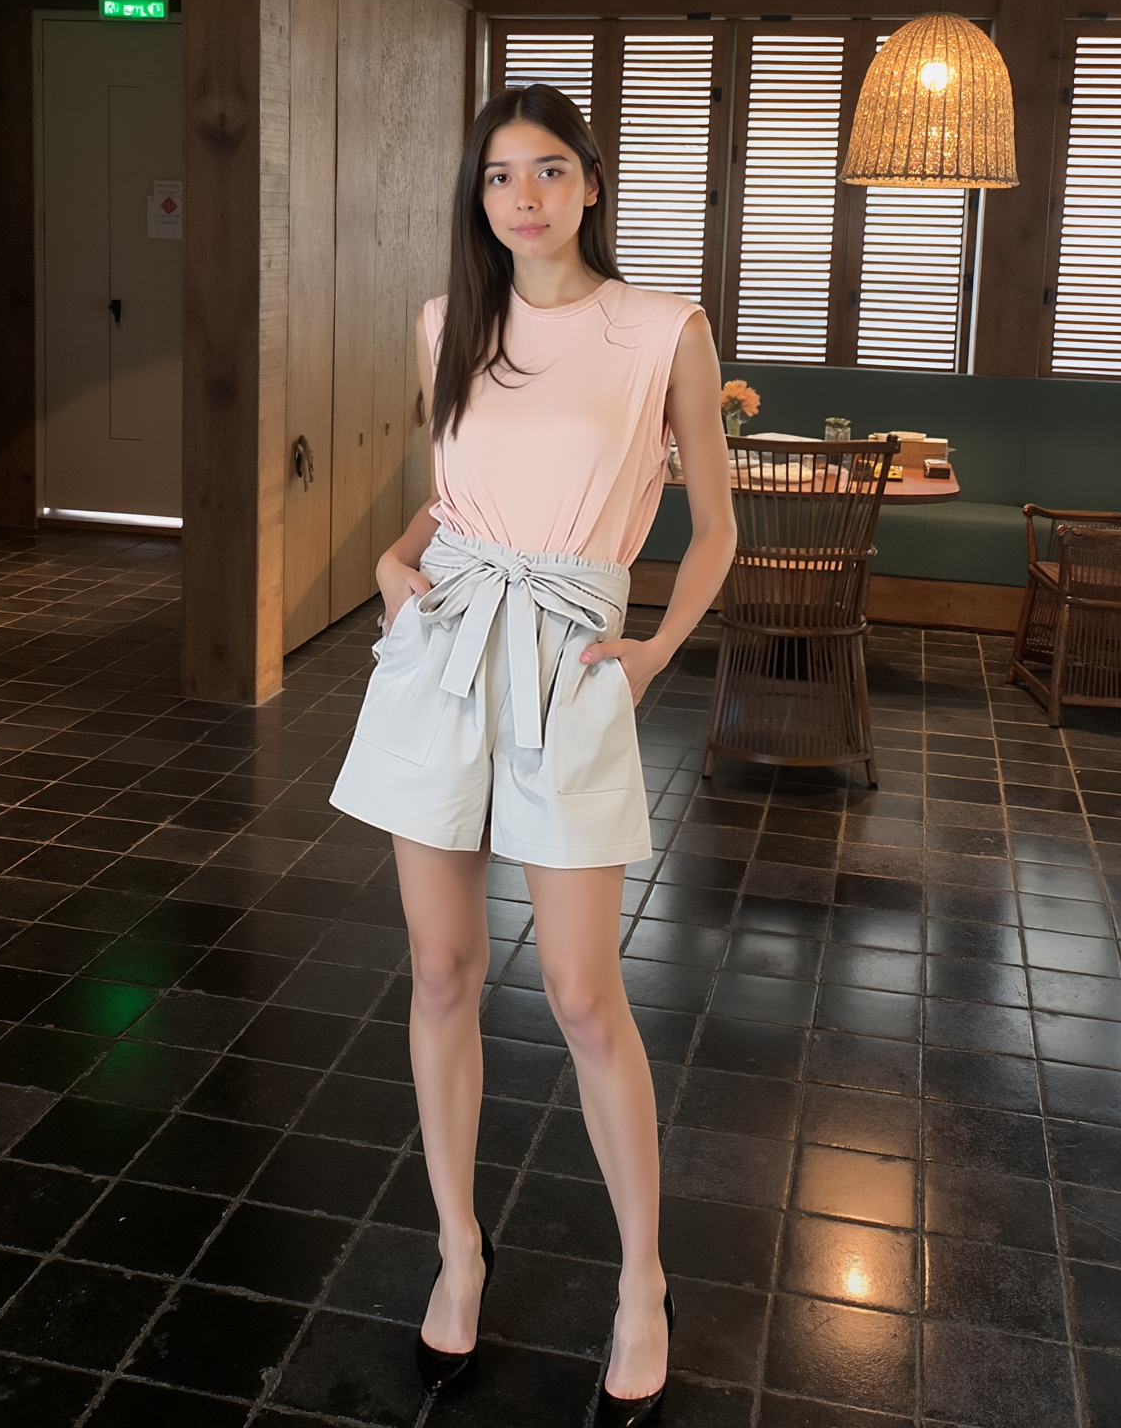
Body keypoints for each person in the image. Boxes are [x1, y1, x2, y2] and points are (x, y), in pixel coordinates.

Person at [330, 82, 735, 1424]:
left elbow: (716, 526)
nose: (525, 196)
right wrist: (392, 562)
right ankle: (459, 1249)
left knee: (578, 991)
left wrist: (657, 650)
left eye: (550, 169)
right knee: (442, 969)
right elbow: (447, 499)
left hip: (571, 656)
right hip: (443, 647)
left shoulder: (663, 329)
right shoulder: (446, 322)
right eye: (500, 175)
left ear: (591, 184)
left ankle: (642, 1282)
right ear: (480, 197)